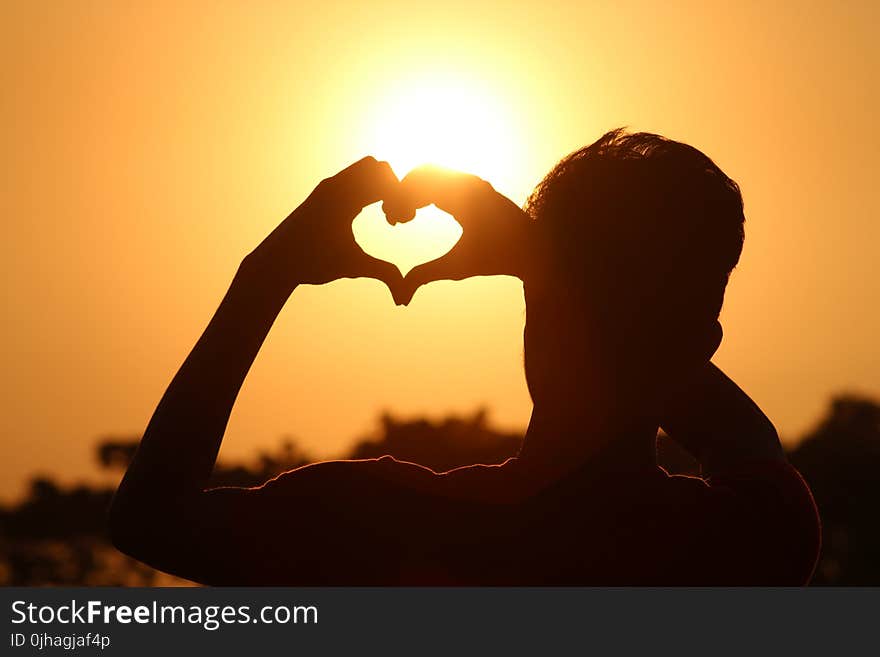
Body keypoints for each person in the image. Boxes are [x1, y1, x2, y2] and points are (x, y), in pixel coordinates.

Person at [109, 129, 820, 585]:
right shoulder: (750, 539)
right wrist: (556, 273)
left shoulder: (380, 518)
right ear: (701, 344)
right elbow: (743, 436)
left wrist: (264, 275)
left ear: (534, 312)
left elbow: (149, 518)